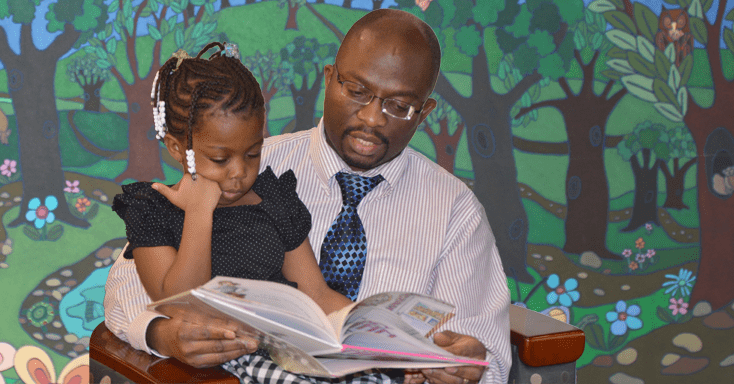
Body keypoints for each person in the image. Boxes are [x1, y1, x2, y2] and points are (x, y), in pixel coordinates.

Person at [104, 9, 511, 384]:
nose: (372, 117)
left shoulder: (456, 211)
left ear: (424, 112)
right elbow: (127, 290)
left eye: (400, 106)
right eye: (356, 90)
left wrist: (468, 366)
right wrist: (165, 334)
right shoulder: (251, 170)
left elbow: (486, 350)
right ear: (329, 77)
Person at [112, 41, 354, 322]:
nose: (239, 171)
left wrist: (376, 330)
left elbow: (318, 296)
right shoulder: (153, 212)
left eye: (253, 153)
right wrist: (199, 212)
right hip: (206, 360)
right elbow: (179, 306)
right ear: (177, 148)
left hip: (282, 348)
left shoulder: (275, 200)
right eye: (220, 159)